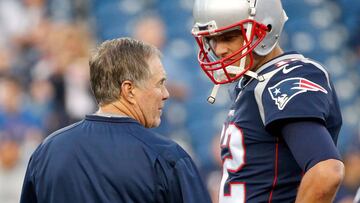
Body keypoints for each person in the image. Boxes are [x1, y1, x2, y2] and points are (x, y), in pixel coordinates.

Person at [20, 37, 211, 203]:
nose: (166, 94)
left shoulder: (47, 151)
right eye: (159, 83)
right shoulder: (166, 157)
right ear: (129, 90)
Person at [191, 0, 344, 202]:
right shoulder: (253, 82)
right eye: (212, 39)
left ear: (266, 29)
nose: (219, 49)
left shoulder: (284, 77)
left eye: (229, 37)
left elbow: (326, 172)